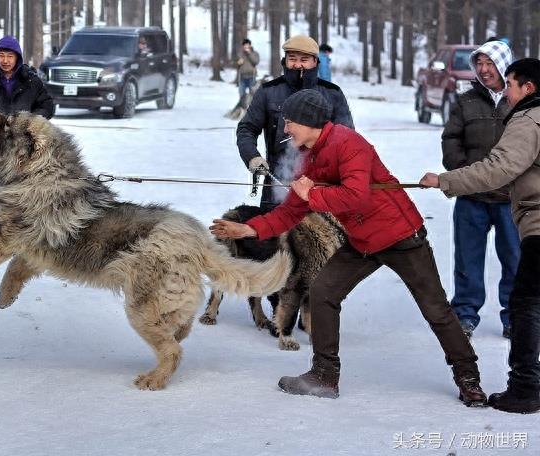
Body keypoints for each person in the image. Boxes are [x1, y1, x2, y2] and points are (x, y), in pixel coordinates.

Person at [212, 89, 486, 406]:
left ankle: (469, 378)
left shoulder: (348, 144)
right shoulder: (310, 158)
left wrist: (311, 195)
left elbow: (357, 196)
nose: (285, 129)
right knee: (324, 291)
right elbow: (291, 211)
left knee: (435, 309)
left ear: (309, 121)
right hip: (362, 241)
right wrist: (248, 228)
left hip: (400, 236)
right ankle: (324, 376)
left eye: (289, 123)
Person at [420, 58, 540, 414]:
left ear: (528, 88)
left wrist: (445, 181)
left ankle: (525, 388)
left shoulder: (527, 119)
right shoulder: (470, 103)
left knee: (525, 304)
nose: (507, 90)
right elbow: (454, 139)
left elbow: (499, 168)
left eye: (512, 84)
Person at [441, 39, 519, 339]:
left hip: (510, 198)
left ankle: (513, 316)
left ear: (503, 65)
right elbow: (451, 138)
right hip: (472, 197)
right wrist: (461, 171)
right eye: (480, 64)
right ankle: (465, 313)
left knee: (515, 258)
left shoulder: (520, 101)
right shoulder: (467, 100)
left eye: (490, 64)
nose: (484, 70)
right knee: (467, 258)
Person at [237, 35, 353, 210]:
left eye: (304, 59)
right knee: (273, 234)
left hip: (323, 187)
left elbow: (348, 139)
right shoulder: (268, 92)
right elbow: (247, 128)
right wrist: (252, 157)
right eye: (292, 59)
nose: (297, 64)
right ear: (285, 60)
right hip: (277, 186)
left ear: (315, 61)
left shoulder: (333, 93)